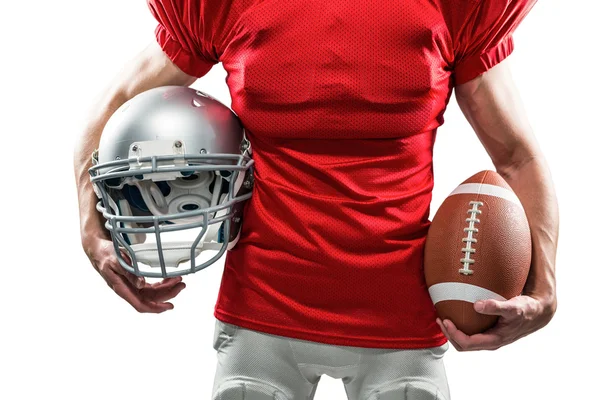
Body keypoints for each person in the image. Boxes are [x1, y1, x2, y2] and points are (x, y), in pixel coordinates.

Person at [73, 0, 558, 398]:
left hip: (400, 325)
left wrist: (545, 289)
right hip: (261, 315)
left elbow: (515, 156)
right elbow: (117, 107)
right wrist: (90, 228)